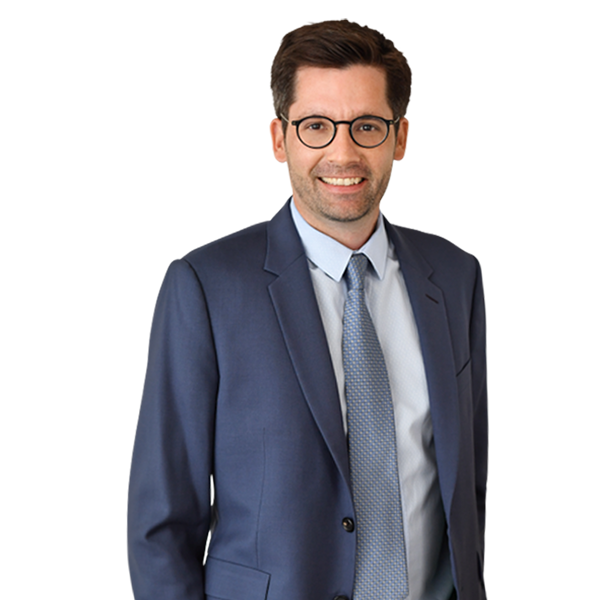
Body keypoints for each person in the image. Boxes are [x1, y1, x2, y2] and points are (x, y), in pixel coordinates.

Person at [127, 20, 487, 600]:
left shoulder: (454, 277)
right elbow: (161, 525)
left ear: (399, 138)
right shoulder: (208, 289)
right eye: (316, 126)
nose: (343, 152)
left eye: (367, 126)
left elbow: (479, 488)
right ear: (280, 138)